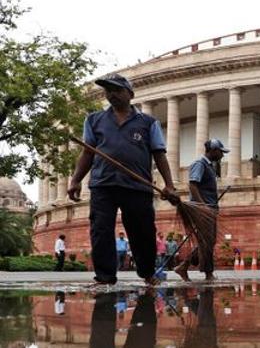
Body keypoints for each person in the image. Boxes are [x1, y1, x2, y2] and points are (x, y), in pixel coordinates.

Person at [67, 73, 179, 286]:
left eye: (117, 90)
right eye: (108, 90)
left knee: (143, 231)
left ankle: (147, 273)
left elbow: (159, 154)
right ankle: (105, 277)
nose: (112, 95)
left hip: (137, 185)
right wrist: (75, 180)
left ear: (130, 93)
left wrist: (169, 185)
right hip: (103, 184)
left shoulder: (148, 123)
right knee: (100, 229)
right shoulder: (94, 120)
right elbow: (88, 153)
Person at [174, 139, 227, 282]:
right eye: (221, 152)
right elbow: (193, 185)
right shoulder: (200, 164)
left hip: (209, 208)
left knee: (208, 241)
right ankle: (208, 273)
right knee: (207, 241)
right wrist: (203, 206)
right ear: (214, 150)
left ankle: (183, 266)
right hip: (203, 209)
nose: (222, 155)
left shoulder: (209, 166)